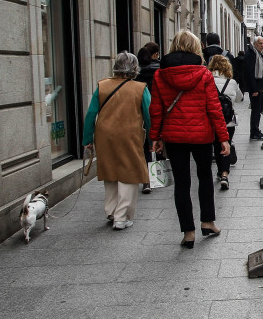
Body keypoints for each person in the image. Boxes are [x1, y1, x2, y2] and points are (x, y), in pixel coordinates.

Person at [149, 30, 230, 249]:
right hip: (201, 135)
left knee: (182, 183)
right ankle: (208, 222)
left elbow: (156, 109)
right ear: (195, 48)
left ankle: (188, 232)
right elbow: (214, 109)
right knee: (204, 177)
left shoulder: (160, 75)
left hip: (174, 137)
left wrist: (155, 136)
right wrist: (223, 137)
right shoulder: (204, 74)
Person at [82, 51, 151, 231]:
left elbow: (91, 114)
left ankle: (111, 210)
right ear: (135, 68)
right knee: (130, 173)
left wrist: (87, 138)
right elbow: (149, 115)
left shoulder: (102, 86)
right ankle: (121, 217)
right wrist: (153, 137)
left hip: (104, 134)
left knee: (110, 171)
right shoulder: (140, 88)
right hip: (129, 134)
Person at [207, 54, 243, 190]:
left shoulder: (207, 80)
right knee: (226, 145)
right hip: (228, 121)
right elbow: (239, 98)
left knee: (216, 145)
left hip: (212, 121)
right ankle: (224, 174)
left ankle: (219, 170)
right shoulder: (232, 83)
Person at [135, 42, 161, 194]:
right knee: (157, 142)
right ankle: (157, 175)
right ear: (155, 54)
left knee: (144, 145)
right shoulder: (160, 70)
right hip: (156, 109)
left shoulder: (136, 72)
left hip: (139, 111)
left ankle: (146, 181)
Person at [244, 35, 263, 140]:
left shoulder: (258, 54)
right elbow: (250, 73)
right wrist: (253, 89)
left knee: (258, 109)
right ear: (255, 43)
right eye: (260, 43)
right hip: (256, 88)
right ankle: (254, 132)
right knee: (255, 110)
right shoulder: (252, 54)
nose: (262, 45)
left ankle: (256, 130)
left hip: (260, 87)